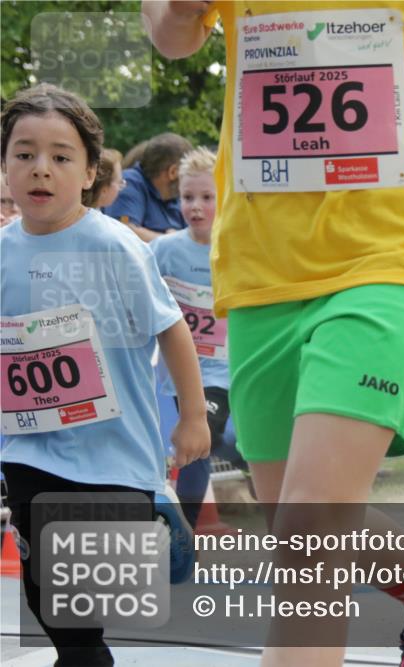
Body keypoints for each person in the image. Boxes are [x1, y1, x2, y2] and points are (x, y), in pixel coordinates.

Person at [143, 2, 404, 666]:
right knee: (301, 525)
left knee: (309, 527)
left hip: (395, 249)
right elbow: (171, 35)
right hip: (263, 266)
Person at [0, 83, 210, 667]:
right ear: (5, 167)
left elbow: (172, 329)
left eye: (61, 157)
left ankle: (155, 512)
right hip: (31, 450)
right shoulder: (1, 251)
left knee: (89, 584)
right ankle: (83, 655)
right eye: (24, 154)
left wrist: (192, 417)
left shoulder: (114, 246)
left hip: (115, 451)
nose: (41, 170)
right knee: (52, 595)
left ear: (90, 171)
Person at [152, 147, 249, 527]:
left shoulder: (238, 249)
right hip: (182, 371)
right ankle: (256, 463)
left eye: (206, 197)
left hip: (228, 367)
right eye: (187, 197)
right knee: (203, 440)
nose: (195, 206)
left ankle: (184, 530)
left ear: (223, 197)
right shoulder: (164, 250)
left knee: (203, 435)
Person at [105, 132, 191, 242]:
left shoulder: (176, 197)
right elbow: (124, 230)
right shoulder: (130, 182)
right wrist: (171, 241)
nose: (189, 180)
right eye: (187, 172)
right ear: (173, 172)